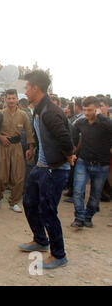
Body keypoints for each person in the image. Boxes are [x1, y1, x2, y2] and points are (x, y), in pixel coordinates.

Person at [20, 70, 75, 269]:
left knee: (48, 210)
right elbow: (42, 135)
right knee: (29, 202)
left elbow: (65, 138)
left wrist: (69, 157)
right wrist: (33, 149)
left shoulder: (50, 111)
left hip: (55, 169)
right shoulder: (38, 109)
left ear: (36, 88)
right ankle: (40, 240)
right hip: (41, 166)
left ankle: (59, 254)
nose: (25, 91)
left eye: (27, 87)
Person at [70, 96, 112, 228]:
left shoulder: (106, 123)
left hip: (102, 164)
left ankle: (88, 217)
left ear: (97, 109)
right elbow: (72, 135)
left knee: (95, 195)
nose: (87, 113)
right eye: (85, 110)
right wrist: (73, 151)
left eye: (90, 110)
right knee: (78, 190)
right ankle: (79, 218)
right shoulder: (80, 122)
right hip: (83, 162)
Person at [0, 89, 35, 213]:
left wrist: (30, 148)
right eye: (9, 98)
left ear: (17, 99)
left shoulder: (23, 115)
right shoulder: (0, 114)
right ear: (5, 99)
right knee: (1, 175)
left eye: (13, 98)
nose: (11, 101)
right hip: (2, 146)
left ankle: (14, 201)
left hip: (16, 146)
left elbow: (29, 132)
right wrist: (0, 137)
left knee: (19, 176)